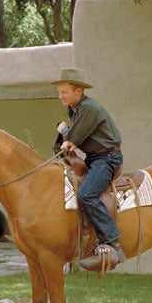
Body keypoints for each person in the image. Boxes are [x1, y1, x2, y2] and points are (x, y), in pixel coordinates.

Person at [52, 67, 127, 271]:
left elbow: (74, 137)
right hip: (94, 158)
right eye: (59, 92)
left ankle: (113, 243)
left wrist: (64, 130)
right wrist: (69, 136)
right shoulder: (74, 109)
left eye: (64, 92)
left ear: (78, 91)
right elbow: (74, 137)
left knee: (86, 194)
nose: (60, 96)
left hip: (107, 159)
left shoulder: (88, 108)